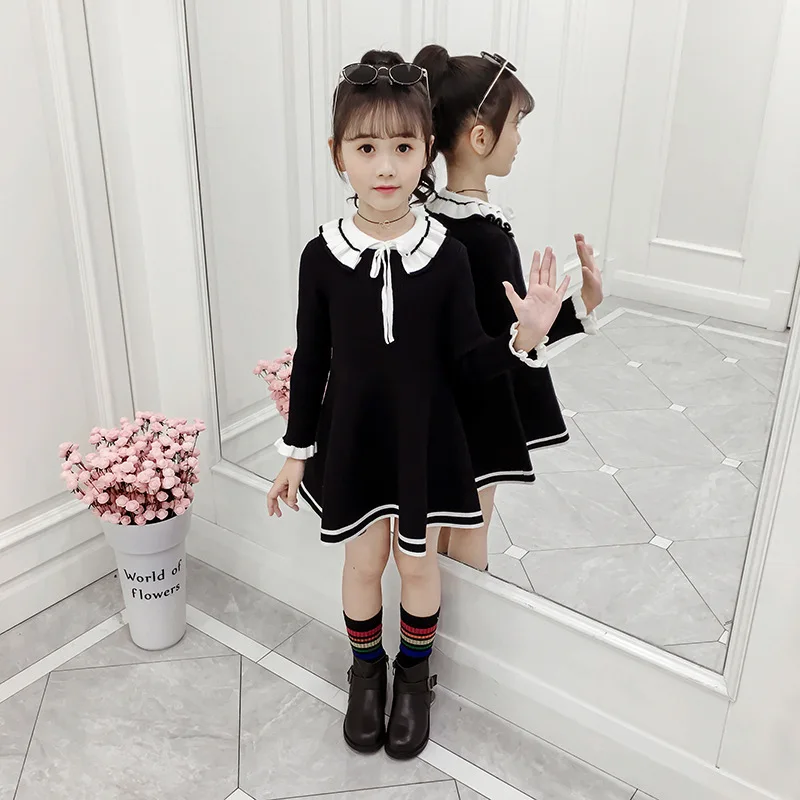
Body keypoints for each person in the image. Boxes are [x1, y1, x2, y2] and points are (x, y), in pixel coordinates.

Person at [266, 49, 569, 759]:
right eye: (366, 148)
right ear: (337, 153)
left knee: (419, 565)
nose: (385, 166)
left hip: (425, 439)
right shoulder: (321, 256)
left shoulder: (448, 254)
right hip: (357, 436)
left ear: (428, 149)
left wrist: (524, 336)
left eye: (403, 148)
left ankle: (414, 678)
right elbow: (312, 358)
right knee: (362, 562)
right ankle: (366, 676)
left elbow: (469, 360)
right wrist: (295, 452)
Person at [413, 45, 605, 570]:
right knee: (472, 524)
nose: (519, 138)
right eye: (516, 123)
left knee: (445, 521)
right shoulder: (486, 236)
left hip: (440, 401)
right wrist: (576, 311)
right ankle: (461, 613)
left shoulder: (428, 219)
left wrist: (579, 306)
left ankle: (435, 604)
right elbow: (514, 335)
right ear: (481, 138)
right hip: (479, 406)